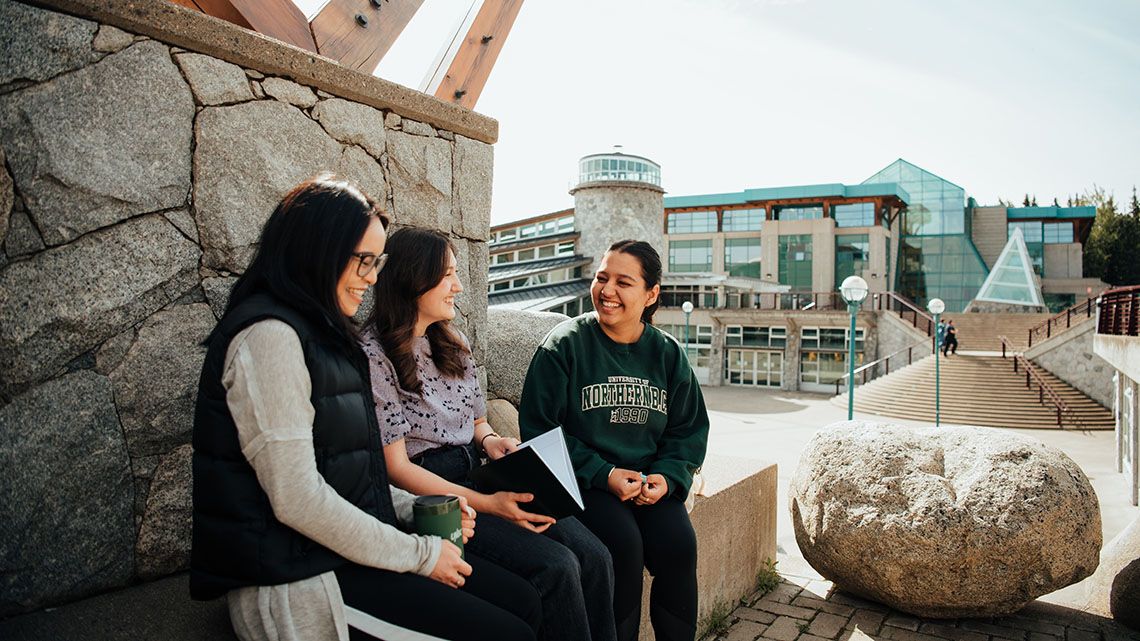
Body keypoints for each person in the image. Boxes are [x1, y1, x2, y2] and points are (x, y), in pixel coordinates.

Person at [190, 176, 540, 641]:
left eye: (379, 262)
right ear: (319, 249)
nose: (373, 277)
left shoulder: (329, 337)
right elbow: (297, 500)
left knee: (525, 602)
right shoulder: (268, 338)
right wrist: (419, 554)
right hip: (297, 580)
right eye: (364, 261)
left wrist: (416, 509)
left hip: (342, 552)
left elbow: (353, 479)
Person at [361, 226, 618, 641]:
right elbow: (395, 466)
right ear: (413, 278)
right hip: (437, 496)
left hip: (482, 472)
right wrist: (489, 504)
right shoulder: (374, 356)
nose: (458, 286)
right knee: (557, 568)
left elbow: (478, 423)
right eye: (447, 276)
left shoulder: (452, 344)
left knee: (596, 555)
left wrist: (491, 440)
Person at [519, 239, 710, 641]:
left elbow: (688, 429)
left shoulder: (667, 354)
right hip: (585, 482)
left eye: (624, 282)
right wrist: (603, 472)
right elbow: (539, 429)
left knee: (678, 545)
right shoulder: (564, 345)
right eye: (601, 278)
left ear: (651, 293)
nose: (607, 291)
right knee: (623, 546)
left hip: (648, 483)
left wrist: (668, 477)